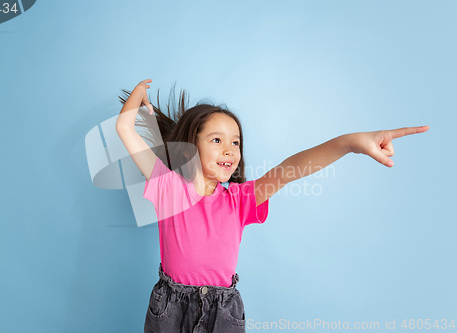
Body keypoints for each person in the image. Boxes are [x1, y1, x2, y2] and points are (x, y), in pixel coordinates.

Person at [115, 79, 429, 333]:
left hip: (223, 312)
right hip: (170, 309)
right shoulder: (169, 189)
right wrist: (135, 104)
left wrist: (349, 143)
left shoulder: (239, 200)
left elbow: (292, 167)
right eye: (216, 140)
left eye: (235, 142)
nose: (230, 150)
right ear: (191, 145)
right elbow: (124, 130)